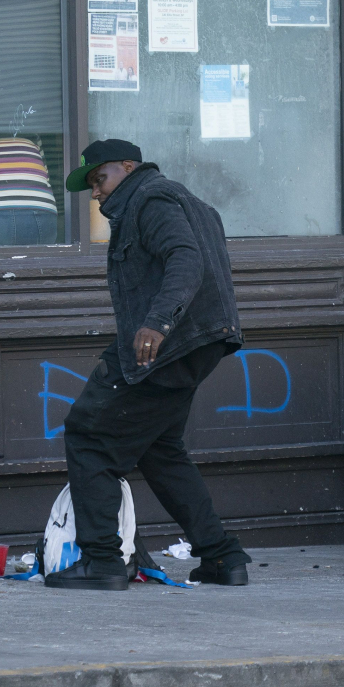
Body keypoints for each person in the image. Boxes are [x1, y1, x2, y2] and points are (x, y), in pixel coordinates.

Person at [46, 139, 250, 590]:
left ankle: (102, 560)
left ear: (127, 166)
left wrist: (157, 323)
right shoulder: (186, 200)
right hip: (199, 341)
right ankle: (221, 556)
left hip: (164, 346)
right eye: (92, 186)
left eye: (99, 179)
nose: (96, 193)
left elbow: (186, 259)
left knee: (89, 435)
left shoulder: (151, 199)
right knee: (161, 450)